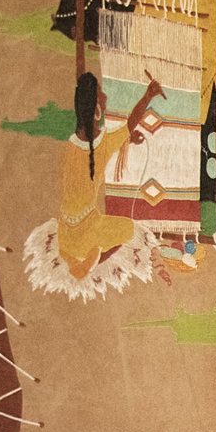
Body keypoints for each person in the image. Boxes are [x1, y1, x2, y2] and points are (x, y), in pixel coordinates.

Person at [58, 70, 165, 280]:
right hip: (88, 227)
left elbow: (100, 149)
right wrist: (148, 95)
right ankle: (93, 257)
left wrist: (127, 139)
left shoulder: (71, 145)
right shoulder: (104, 142)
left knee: (68, 244)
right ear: (96, 107)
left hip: (66, 231)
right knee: (128, 229)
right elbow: (131, 122)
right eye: (101, 94)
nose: (105, 97)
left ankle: (73, 259)